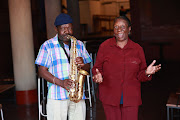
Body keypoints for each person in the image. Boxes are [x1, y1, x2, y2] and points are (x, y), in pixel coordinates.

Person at [92, 16, 161, 120]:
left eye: (123, 27)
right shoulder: (104, 47)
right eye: (116, 27)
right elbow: (97, 68)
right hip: (109, 95)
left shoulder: (137, 49)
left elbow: (140, 75)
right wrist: (97, 76)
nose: (119, 30)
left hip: (131, 97)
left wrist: (147, 72)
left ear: (129, 29)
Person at [35, 13, 92, 120]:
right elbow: (41, 71)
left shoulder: (78, 44)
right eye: (63, 28)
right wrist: (61, 82)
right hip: (57, 96)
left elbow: (88, 67)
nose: (67, 31)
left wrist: (83, 64)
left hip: (77, 95)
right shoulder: (47, 46)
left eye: (70, 28)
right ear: (56, 29)